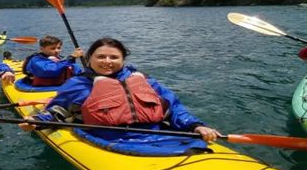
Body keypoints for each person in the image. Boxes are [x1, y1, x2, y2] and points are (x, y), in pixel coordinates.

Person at [19, 37, 219, 144]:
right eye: (101, 57)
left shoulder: (142, 80)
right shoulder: (78, 84)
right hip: (105, 138)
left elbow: (173, 106)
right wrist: (36, 122)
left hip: (158, 136)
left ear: (123, 60)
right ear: (90, 60)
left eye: (114, 57)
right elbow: (57, 112)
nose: (107, 61)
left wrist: (195, 126)